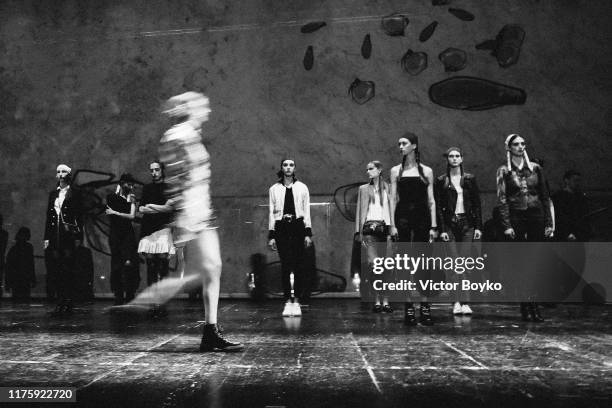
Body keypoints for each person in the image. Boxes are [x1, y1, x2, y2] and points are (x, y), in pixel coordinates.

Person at [121, 92, 243, 352]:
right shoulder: (177, 136)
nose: (207, 112)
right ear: (189, 109)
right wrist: (186, 218)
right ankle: (141, 304)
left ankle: (210, 330)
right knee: (199, 272)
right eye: (203, 107)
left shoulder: (190, 135)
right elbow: (177, 182)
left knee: (212, 269)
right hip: (192, 214)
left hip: (201, 213)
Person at [496, 133, 554, 322]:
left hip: (536, 215)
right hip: (517, 216)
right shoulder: (504, 170)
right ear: (509, 147)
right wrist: (506, 224)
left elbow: (545, 196)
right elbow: (502, 199)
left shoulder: (535, 168)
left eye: (523, 144)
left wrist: (549, 222)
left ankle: (535, 304)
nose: (521, 147)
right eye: (516, 144)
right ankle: (525, 305)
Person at [389, 133, 438, 325]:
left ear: (414, 146)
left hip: (422, 218)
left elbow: (431, 201)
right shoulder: (395, 171)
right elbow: (392, 199)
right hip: (402, 218)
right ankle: (409, 306)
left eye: (404, 143)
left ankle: (425, 306)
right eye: (399, 143)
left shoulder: (426, 171)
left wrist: (433, 226)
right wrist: (391, 224)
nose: (400, 146)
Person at [435, 147, 482, 315]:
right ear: (447, 159)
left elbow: (477, 204)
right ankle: (455, 301)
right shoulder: (441, 180)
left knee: (466, 263)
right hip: (450, 226)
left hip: (467, 224)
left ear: (462, 159)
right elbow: (439, 207)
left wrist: (478, 227)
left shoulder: (469, 179)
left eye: (457, 156)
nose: (454, 159)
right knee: (454, 264)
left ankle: (466, 302)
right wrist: (442, 229)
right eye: (451, 156)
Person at [268, 159, 313, 317]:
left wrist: (308, 233)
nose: (288, 167)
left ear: (295, 168)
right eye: (285, 165)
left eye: (291, 165)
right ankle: (288, 300)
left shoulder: (302, 187)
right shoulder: (274, 189)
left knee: (299, 265)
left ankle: (297, 301)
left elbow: (306, 210)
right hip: (281, 228)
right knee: (286, 265)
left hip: (298, 227)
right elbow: (272, 212)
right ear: (281, 168)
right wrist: (271, 234)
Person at [355, 161, 394, 313]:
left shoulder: (389, 188)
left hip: (386, 229)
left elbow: (393, 210)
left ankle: (386, 300)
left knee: (387, 266)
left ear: (379, 170)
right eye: (367, 169)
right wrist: (358, 232)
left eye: (371, 169)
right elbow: (359, 211)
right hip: (369, 229)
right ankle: (377, 299)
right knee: (375, 265)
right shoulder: (363, 189)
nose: (368, 172)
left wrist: (394, 229)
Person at [44, 164, 83, 313]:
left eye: (64, 172)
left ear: (69, 175)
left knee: (68, 268)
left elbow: (79, 216)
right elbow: (49, 217)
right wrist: (46, 237)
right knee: (57, 269)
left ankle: (69, 300)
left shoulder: (75, 193)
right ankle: (60, 300)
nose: (61, 174)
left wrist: (79, 236)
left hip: (68, 235)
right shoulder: (53, 194)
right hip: (55, 235)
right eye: (58, 172)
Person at [138, 160, 175, 316]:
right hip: (148, 230)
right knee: (151, 265)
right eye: (151, 170)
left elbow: (170, 208)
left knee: (162, 264)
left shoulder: (168, 187)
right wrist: (158, 208)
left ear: (162, 171)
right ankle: (153, 301)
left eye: (156, 170)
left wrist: (151, 207)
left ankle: (162, 301)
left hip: (162, 229)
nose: (154, 173)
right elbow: (141, 208)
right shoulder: (147, 188)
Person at [105, 173, 140, 305]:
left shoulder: (131, 198)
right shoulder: (112, 197)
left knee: (129, 264)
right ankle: (118, 294)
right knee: (116, 265)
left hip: (127, 235)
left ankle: (129, 293)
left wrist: (116, 213)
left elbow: (131, 216)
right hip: (115, 234)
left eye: (131, 184)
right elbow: (111, 209)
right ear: (121, 183)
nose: (130, 186)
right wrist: (117, 212)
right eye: (128, 184)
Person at [552, 170, 591, 242]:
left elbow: (584, 215)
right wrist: (567, 233)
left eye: (579, 180)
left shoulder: (580, 197)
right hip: (564, 235)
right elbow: (559, 216)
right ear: (567, 181)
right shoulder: (558, 197)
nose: (577, 183)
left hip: (579, 234)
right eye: (575, 180)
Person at [5, 227, 36, 301]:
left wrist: (8, 283)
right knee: (25, 300)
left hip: (16, 279)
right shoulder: (29, 248)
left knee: (16, 301)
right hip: (25, 279)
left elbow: (9, 268)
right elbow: (31, 265)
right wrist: (33, 279)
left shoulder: (13, 249)